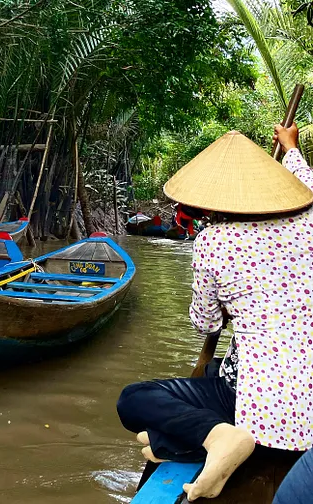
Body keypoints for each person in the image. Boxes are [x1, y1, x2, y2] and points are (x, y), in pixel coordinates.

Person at [117, 127, 313, 501]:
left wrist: (227, 301)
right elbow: (307, 181)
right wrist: (291, 148)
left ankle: (214, 436)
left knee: (135, 398)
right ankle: (177, 441)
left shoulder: (214, 241)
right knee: (212, 372)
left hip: (257, 406)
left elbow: (205, 323)